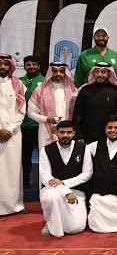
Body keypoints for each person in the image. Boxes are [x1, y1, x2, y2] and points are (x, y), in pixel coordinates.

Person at [38, 121, 93, 237]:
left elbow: (87, 173)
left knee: (76, 228)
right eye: (62, 132)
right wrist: (65, 192)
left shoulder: (83, 148)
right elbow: (45, 176)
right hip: (52, 189)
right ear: (56, 133)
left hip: (76, 191)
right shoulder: (46, 150)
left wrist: (64, 183)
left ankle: (58, 221)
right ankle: (50, 223)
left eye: (68, 132)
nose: (65, 135)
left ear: (73, 133)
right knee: (50, 198)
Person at [0, 53, 27, 215]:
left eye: (6, 64)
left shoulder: (18, 84)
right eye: (0, 64)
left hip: (13, 135)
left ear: (11, 66)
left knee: (13, 169)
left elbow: (21, 111)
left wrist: (9, 130)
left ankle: (14, 205)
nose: (3, 67)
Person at [27, 62, 76, 149]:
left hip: (67, 132)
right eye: (55, 71)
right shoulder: (40, 90)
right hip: (46, 131)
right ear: (50, 73)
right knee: (47, 155)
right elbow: (30, 113)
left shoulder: (72, 90)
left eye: (61, 71)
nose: (58, 74)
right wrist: (47, 119)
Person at [72, 62, 117, 144]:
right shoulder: (85, 90)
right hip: (87, 135)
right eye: (97, 72)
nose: (100, 75)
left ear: (109, 73)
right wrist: (78, 135)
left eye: (103, 72)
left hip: (110, 136)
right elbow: (77, 114)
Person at [20, 55, 44, 188]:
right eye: (28, 64)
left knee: (45, 155)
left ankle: (45, 181)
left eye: (34, 64)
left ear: (39, 66)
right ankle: (25, 180)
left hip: (42, 125)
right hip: (24, 125)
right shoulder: (19, 81)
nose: (31, 67)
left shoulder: (45, 81)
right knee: (25, 155)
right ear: (24, 67)